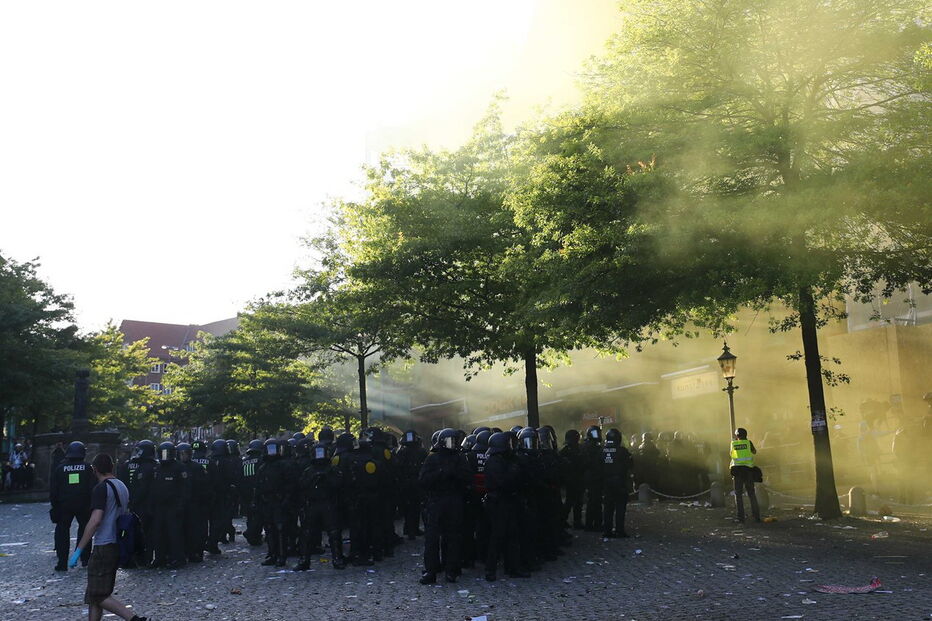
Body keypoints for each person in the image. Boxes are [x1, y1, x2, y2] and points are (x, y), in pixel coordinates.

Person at [70, 453, 150, 621]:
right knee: (95, 595)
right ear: (112, 467)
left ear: (95, 469)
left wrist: (79, 549)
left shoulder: (101, 489)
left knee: (98, 595)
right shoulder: (122, 486)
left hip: (104, 545)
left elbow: (95, 520)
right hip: (117, 543)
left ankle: (134, 619)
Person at [418, 428, 471, 584]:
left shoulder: (460, 459)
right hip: (436, 500)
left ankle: (451, 569)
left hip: (454, 500)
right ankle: (431, 570)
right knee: (432, 538)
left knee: (453, 537)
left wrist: (456, 475)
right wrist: (441, 473)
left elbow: (468, 478)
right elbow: (423, 480)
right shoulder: (433, 459)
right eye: (450, 441)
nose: (453, 445)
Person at [50, 441, 96, 571]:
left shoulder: (60, 468)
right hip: (83, 505)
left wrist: (55, 506)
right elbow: (92, 488)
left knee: (62, 532)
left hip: (64, 505)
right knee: (85, 530)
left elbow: (53, 490)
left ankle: (62, 562)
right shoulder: (88, 468)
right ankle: (84, 559)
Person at [601, 429, 633, 538]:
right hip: (619, 482)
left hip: (606, 482)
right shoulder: (622, 451)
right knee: (620, 508)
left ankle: (607, 530)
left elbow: (597, 466)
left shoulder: (601, 450)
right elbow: (630, 464)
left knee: (607, 508)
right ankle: (619, 530)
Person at [730, 428, 761, 523]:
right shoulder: (749, 443)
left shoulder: (733, 444)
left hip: (737, 472)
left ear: (737, 436)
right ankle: (756, 516)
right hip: (748, 471)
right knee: (751, 494)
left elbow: (731, 454)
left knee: (738, 495)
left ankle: (741, 518)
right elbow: (754, 452)